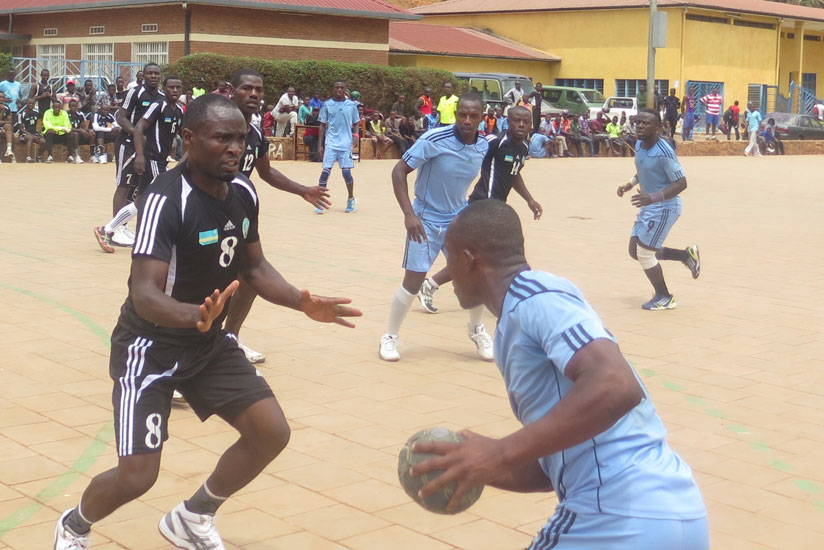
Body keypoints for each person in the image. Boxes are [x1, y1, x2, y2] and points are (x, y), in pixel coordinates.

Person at [53, 93, 361, 550]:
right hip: (150, 346)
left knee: (270, 432)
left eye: (240, 138)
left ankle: (193, 516)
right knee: (138, 476)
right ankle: (74, 526)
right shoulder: (165, 200)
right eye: (222, 138)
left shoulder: (243, 192)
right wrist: (191, 315)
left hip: (207, 342)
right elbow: (143, 294)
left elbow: (254, 267)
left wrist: (302, 302)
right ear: (190, 139)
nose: (235, 148)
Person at [411, 199, 708, 550]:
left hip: (616, 514)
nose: (445, 270)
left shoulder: (536, 297)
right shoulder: (516, 316)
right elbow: (560, 463)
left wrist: (501, 451)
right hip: (672, 515)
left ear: (467, 259)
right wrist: (476, 467)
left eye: (447, 256)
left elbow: (617, 384)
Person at [219, 68, 331, 363]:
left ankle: (229, 340)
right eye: (246, 88)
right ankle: (185, 355)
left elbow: (266, 172)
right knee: (203, 283)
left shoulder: (254, 134)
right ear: (233, 91)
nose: (254, 94)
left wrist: (302, 190)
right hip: (204, 214)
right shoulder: (214, 126)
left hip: (238, 217)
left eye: (258, 89)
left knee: (248, 281)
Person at [378, 92, 492, 362]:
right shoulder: (434, 139)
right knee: (414, 281)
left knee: (478, 273)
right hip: (425, 219)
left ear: (481, 117)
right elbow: (398, 171)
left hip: (458, 219)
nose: (466, 120)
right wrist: (409, 215)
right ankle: (390, 336)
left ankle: (476, 330)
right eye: (462, 113)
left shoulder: (484, 146)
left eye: (473, 115)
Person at [416, 106, 543, 314]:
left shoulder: (523, 149)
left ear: (530, 124)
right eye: (516, 121)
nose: (520, 125)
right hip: (481, 205)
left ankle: (435, 285)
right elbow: (472, 151)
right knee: (484, 256)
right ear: (507, 122)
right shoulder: (495, 141)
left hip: (498, 210)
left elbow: (514, 173)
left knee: (491, 256)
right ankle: (431, 285)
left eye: (525, 122)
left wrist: (529, 199)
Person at [616, 109, 700, 310]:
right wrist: (629, 183)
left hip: (664, 206)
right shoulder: (639, 143)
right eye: (638, 122)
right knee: (634, 251)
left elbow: (681, 183)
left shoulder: (664, 152)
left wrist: (652, 198)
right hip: (649, 204)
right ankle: (685, 256)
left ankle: (665, 296)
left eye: (645, 123)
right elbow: (645, 169)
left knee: (644, 253)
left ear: (658, 127)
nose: (640, 126)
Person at [95, 76, 185, 253]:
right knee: (170, 192)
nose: (175, 90)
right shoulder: (158, 105)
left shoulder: (179, 111)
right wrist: (140, 155)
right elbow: (138, 128)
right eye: (171, 87)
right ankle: (168, 236)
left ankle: (107, 229)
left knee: (141, 199)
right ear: (164, 89)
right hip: (152, 158)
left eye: (178, 87)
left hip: (160, 159)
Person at [107, 63, 164, 248]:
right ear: (143, 76)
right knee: (123, 184)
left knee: (137, 187)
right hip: (127, 144)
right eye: (149, 73)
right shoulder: (135, 92)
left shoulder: (162, 98)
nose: (153, 76)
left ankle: (123, 226)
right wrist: (135, 133)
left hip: (146, 149)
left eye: (156, 73)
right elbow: (121, 116)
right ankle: (115, 229)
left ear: (160, 76)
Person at [316, 80, 360, 215]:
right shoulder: (327, 105)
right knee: (325, 172)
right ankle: (320, 201)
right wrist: (320, 145)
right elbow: (322, 126)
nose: (339, 90)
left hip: (345, 143)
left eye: (342, 88)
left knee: (346, 173)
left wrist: (356, 136)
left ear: (345, 90)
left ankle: (350, 198)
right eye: (336, 87)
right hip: (331, 143)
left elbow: (356, 122)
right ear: (333, 89)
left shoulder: (351, 105)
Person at [0, 92, 15, 162]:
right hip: (2, 127)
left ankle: (9, 149)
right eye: (0, 97)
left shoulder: (6, 107)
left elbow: (10, 121)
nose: (1, 99)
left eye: (2, 97)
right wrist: (2, 112)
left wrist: (4, 123)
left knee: (9, 127)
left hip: (3, 128)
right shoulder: (3, 109)